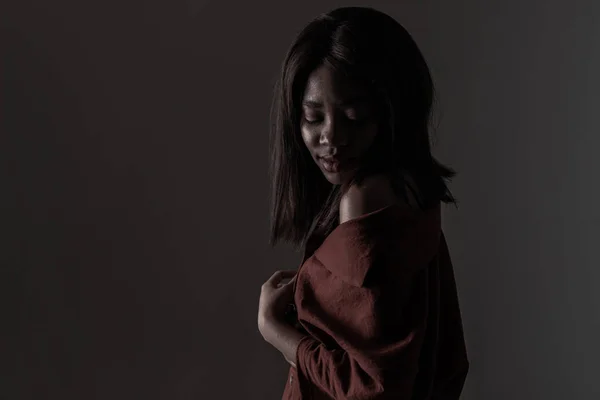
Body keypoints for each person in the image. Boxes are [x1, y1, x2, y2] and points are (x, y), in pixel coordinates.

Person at [257, 6, 469, 399]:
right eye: (312, 117)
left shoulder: (365, 199)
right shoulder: (412, 192)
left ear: (392, 112)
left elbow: (372, 386)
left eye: (353, 117)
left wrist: (275, 329)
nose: (331, 137)